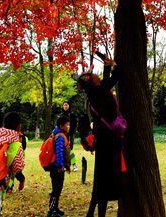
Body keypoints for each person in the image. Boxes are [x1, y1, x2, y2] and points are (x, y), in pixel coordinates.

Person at [76, 52, 124, 217]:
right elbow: (110, 81)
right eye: (94, 75)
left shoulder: (94, 94)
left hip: (104, 139)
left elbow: (108, 81)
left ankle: (94, 212)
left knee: (101, 177)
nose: (97, 75)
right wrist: (109, 66)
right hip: (109, 141)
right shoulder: (98, 93)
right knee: (107, 176)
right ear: (91, 81)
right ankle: (98, 211)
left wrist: (109, 66)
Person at [45, 116, 72, 217]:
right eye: (67, 125)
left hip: (58, 167)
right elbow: (59, 152)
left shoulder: (60, 134)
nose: (69, 127)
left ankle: (55, 208)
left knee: (58, 188)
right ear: (62, 126)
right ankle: (51, 210)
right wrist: (60, 166)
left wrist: (67, 166)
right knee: (56, 189)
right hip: (57, 168)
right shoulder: (60, 136)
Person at [59, 101, 79, 172]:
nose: (65, 106)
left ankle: (72, 165)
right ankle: (71, 165)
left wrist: (70, 129)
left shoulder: (72, 114)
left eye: (66, 105)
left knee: (69, 149)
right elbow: (59, 125)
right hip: (63, 135)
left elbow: (75, 123)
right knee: (66, 149)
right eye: (64, 105)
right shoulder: (61, 115)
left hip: (71, 134)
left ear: (69, 106)